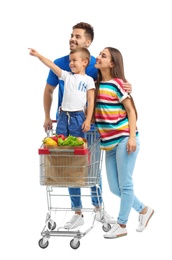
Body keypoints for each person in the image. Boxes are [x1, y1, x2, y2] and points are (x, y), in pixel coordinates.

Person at [41, 22, 132, 229]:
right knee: (71, 168)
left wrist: (127, 85)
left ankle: (99, 209)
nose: (73, 39)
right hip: (66, 123)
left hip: (90, 125)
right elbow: (48, 91)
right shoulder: (60, 63)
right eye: (71, 35)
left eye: (78, 36)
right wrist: (47, 115)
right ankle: (78, 212)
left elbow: (113, 82)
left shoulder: (94, 65)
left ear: (88, 42)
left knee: (92, 169)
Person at [94, 47, 154, 238]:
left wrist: (132, 137)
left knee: (125, 184)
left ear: (112, 64)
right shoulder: (94, 85)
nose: (98, 56)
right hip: (108, 143)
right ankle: (144, 210)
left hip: (124, 139)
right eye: (99, 54)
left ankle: (121, 225)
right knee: (114, 187)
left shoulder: (118, 84)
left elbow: (131, 111)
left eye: (103, 55)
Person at [29, 47, 95, 136]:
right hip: (63, 115)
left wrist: (88, 120)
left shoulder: (88, 80)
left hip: (78, 116)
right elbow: (51, 65)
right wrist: (38, 55)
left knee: (78, 144)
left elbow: (91, 101)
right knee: (60, 142)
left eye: (74, 60)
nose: (71, 63)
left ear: (85, 62)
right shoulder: (66, 76)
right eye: (70, 61)